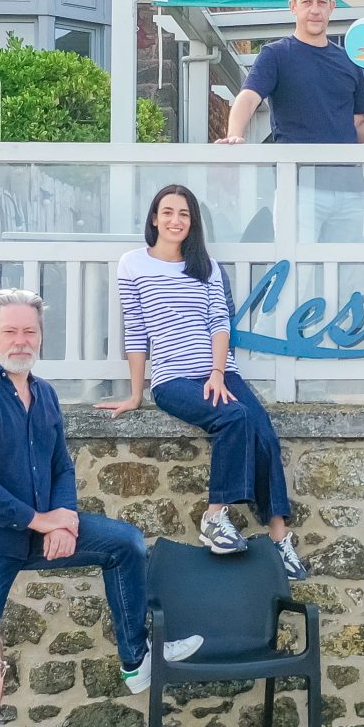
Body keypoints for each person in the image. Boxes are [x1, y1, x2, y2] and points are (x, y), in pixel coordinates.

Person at [0, 287, 201, 696]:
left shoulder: (44, 394)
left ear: (41, 336)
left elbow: (60, 464)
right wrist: (42, 521)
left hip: (38, 532)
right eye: (10, 331)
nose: (21, 341)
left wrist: (64, 520)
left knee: (125, 543)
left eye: (30, 331)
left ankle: (137, 660)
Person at [97, 185, 304, 576]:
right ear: (154, 218)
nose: (176, 221)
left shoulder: (205, 265)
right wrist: (135, 395)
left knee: (264, 433)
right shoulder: (133, 264)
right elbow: (136, 330)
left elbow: (218, 322)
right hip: (174, 378)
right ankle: (214, 516)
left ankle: (279, 539)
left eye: (185, 215)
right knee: (234, 418)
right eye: (168, 212)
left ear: (193, 223)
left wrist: (217, 372)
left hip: (217, 371)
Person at [218, 0, 364, 242]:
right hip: (298, 187)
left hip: (350, 190)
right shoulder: (276, 54)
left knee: (343, 279)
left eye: (321, 2)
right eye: (307, 2)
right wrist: (235, 134)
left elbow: (356, 131)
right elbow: (247, 98)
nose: (314, 10)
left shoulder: (348, 62)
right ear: (293, 7)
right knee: (297, 277)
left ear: (332, 7)